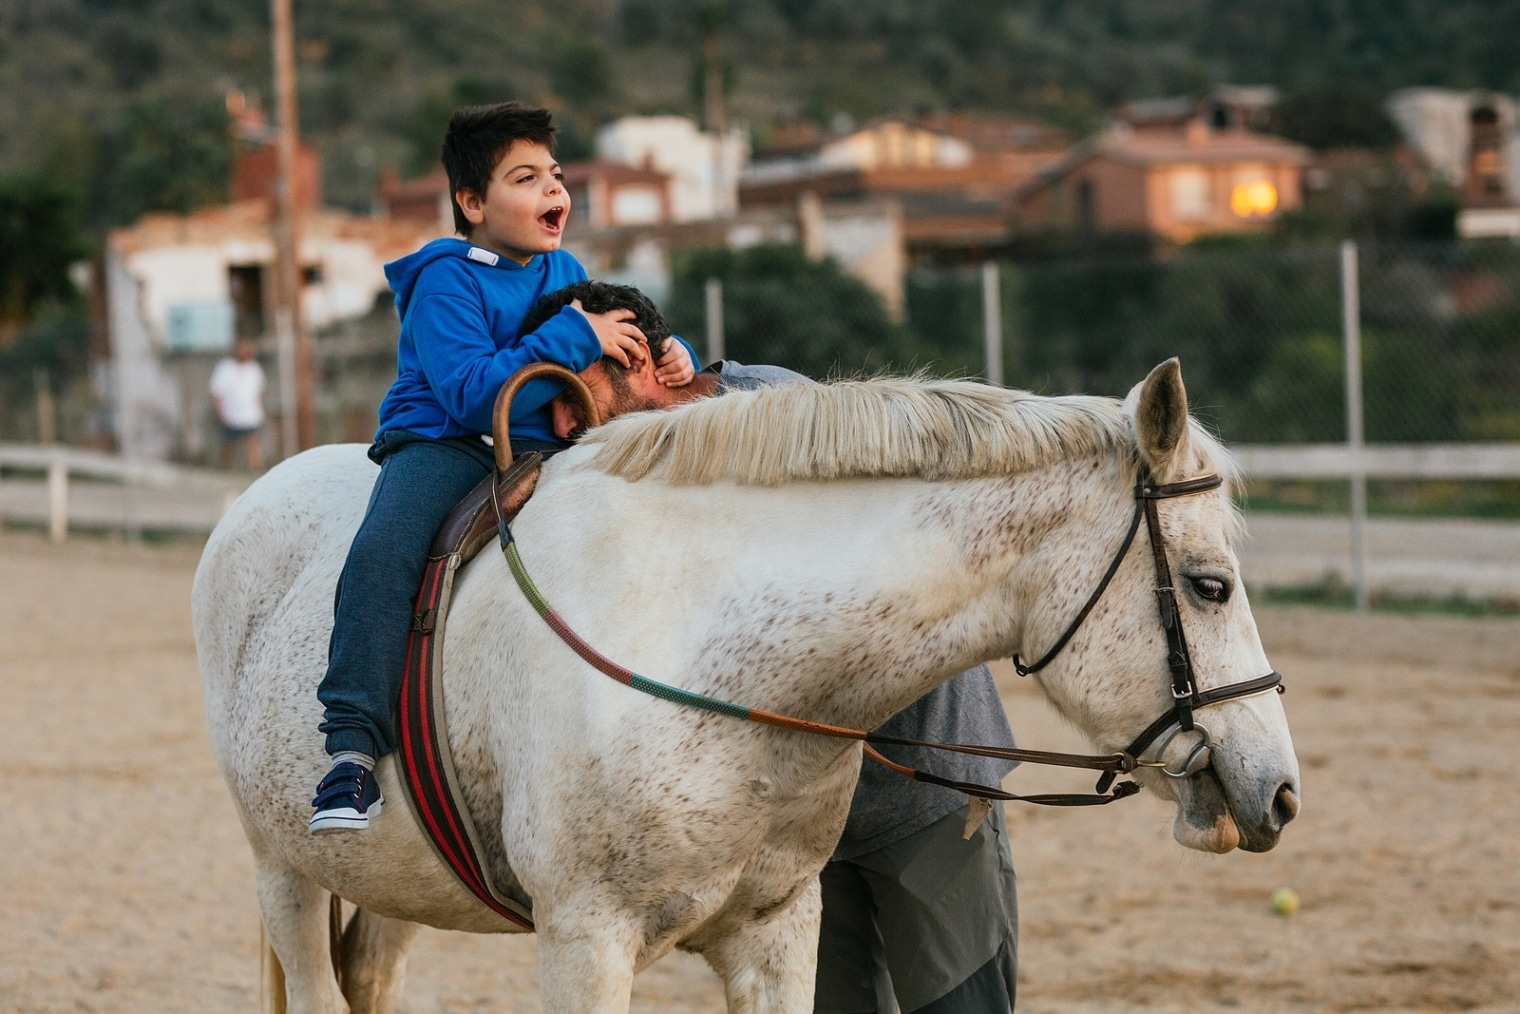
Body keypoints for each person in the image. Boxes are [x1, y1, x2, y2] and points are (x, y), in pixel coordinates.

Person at [538, 281, 1021, 1013]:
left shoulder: (769, 403)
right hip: (798, 827)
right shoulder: (628, 487)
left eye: (578, 388)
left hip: (923, 789)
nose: (564, 421)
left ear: (642, 357)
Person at [309, 104, 698, 834]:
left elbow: (612, 333)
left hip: (548, 443)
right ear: (472, 202)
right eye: (525, 179)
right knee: (385, 550)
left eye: (555, 175)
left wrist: (669, 349)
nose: (553, 190)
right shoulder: (446, 281)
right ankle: (352, 752)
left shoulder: (566, 269)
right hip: (446, 444)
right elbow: (466, 391)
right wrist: (569, 330)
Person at [209, 338, 266, 471]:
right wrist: (219, 412)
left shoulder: (254, 369)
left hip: (250, 414)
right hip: (230, 415)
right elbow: (216, 392)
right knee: (227, 445)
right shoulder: (225, 368)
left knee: (253, 443)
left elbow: (259, 392)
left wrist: (261, 411)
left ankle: (256, 470)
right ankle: (223, 470)